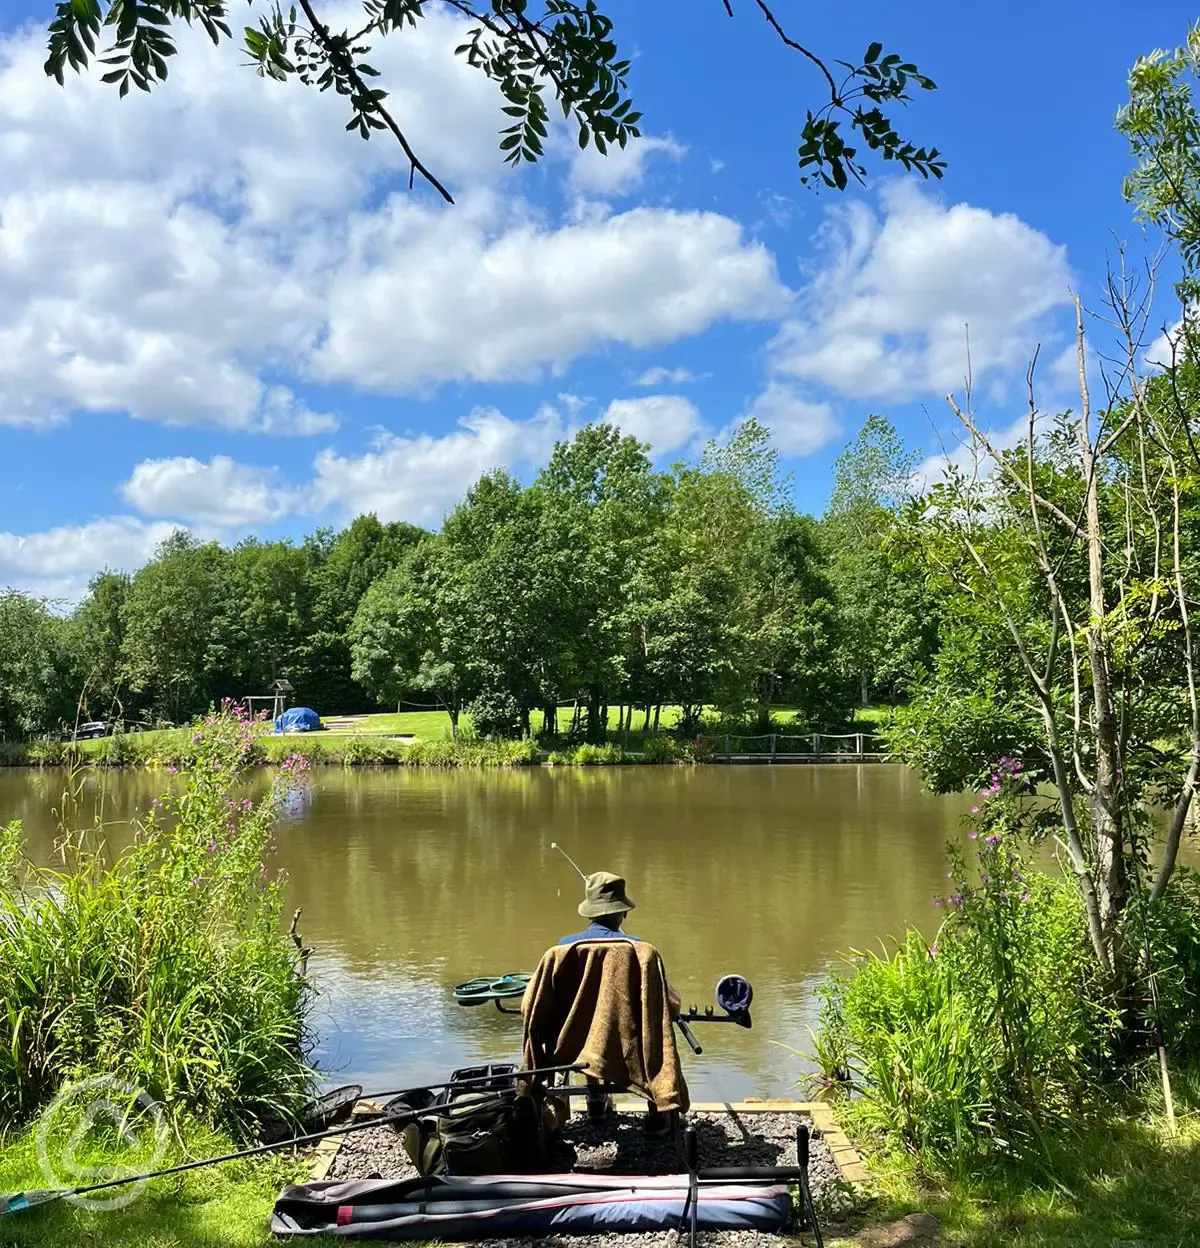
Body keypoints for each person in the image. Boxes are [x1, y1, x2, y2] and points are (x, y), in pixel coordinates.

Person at [558, 870, 681, 1134]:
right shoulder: (640, 950)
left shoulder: (563, 948)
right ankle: (657, 1111)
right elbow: (669, 1005)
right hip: (629, 1040)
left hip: (577, 1041)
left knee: (589, 1024)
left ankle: (594, 1100)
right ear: (623, 913)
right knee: (650, 1026)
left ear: (589, 913)